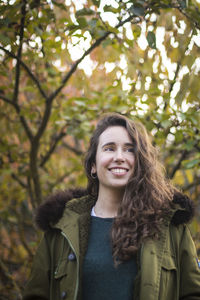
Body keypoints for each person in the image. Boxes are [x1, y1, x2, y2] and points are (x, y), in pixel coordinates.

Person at [23, 113, 200, 300]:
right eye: (109, 149)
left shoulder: (170, 226)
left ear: (140, 162)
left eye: (130, 150)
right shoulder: (61, 227)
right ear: (93, 165)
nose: (119, 157)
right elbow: (36, 294)